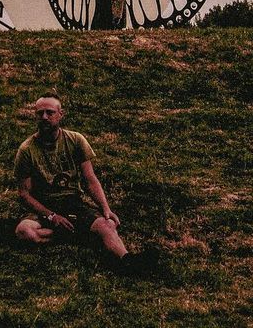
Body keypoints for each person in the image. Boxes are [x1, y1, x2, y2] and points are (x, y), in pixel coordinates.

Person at [14, 93, 155, 273]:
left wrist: (105, 209)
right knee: (24, 232)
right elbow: (24, 194)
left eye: (50, 112)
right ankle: (81, 235)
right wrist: (52, 216)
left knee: (107, 225)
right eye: (40, 113)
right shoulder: (26, 150)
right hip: (43, 206)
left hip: (72, 202)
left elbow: (90, 180)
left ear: (60, 114)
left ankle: (127, 261)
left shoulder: (76, 140)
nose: (44, 117)